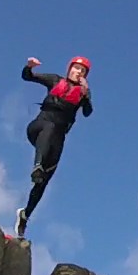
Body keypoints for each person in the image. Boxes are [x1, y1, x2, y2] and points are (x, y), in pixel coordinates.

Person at [16, 55, 93, 238]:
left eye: (82, 71)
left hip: (57, 139)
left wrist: (87, 94)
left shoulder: (82, 93)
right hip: (38, 127)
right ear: (70, 69)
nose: (78, 72)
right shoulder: (55, 80)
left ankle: (25, 215)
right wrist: (29, 67)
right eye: (76, 68)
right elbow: (28, 77)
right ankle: (37, 165)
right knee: (49, 128)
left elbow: (88, 113)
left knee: (44, 181)